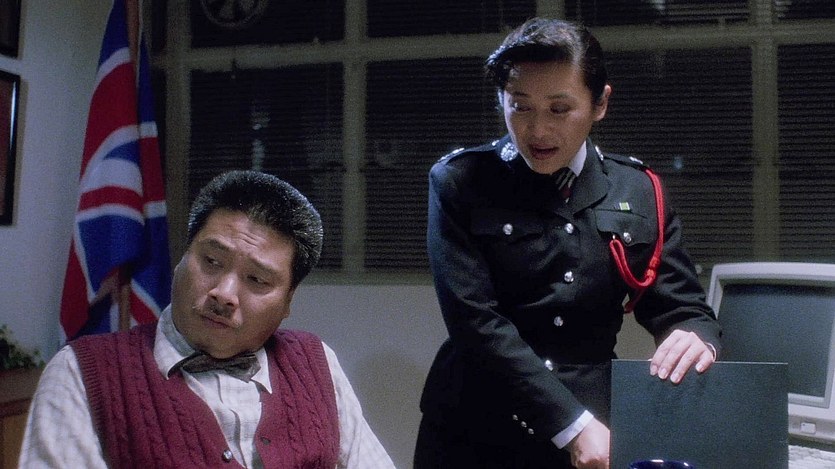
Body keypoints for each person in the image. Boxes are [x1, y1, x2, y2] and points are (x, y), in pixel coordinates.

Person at [414, 18, 722, 469]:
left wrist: (695, 338)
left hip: (595, 429)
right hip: (476, 427)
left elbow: (681, 307)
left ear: (600, 104)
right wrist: (571, 424)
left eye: (559, 109)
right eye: (520, 106)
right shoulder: (461, 182)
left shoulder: (637, 189)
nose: (537, 130)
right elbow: (475, 323)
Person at [21, 170, 396, 469]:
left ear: (287, 302)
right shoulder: (82, 371)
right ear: (182, 259)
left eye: (257, 280)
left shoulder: (315, 362)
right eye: (211, 262)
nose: (224, 293)